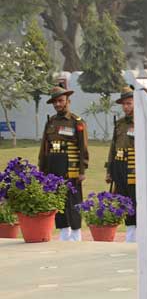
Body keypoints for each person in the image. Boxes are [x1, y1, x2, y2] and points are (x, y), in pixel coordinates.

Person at [38, 86, 89, 242]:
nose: (58, 104)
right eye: (55, 102)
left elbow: (83, 148)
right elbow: (44, 147)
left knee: (73, 199)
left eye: (60, 101)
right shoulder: (51, 122)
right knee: (57, 197)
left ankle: (76, 233)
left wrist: (82, 170)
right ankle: (63, 231)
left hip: (70, 165)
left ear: (68, 101)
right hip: (53, 164)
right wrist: (42, 169)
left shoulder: (76, 122)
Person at [106, 85, 137, 243]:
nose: (125, 107)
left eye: (129, 103)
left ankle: (138, 235)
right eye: (124, 104)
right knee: (123, 201)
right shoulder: (119, 124)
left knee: (135, 200)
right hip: (119, 165)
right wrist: (109, 170)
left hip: (134, 167)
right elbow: (113, 147)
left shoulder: (142, 122)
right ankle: (130, 234)